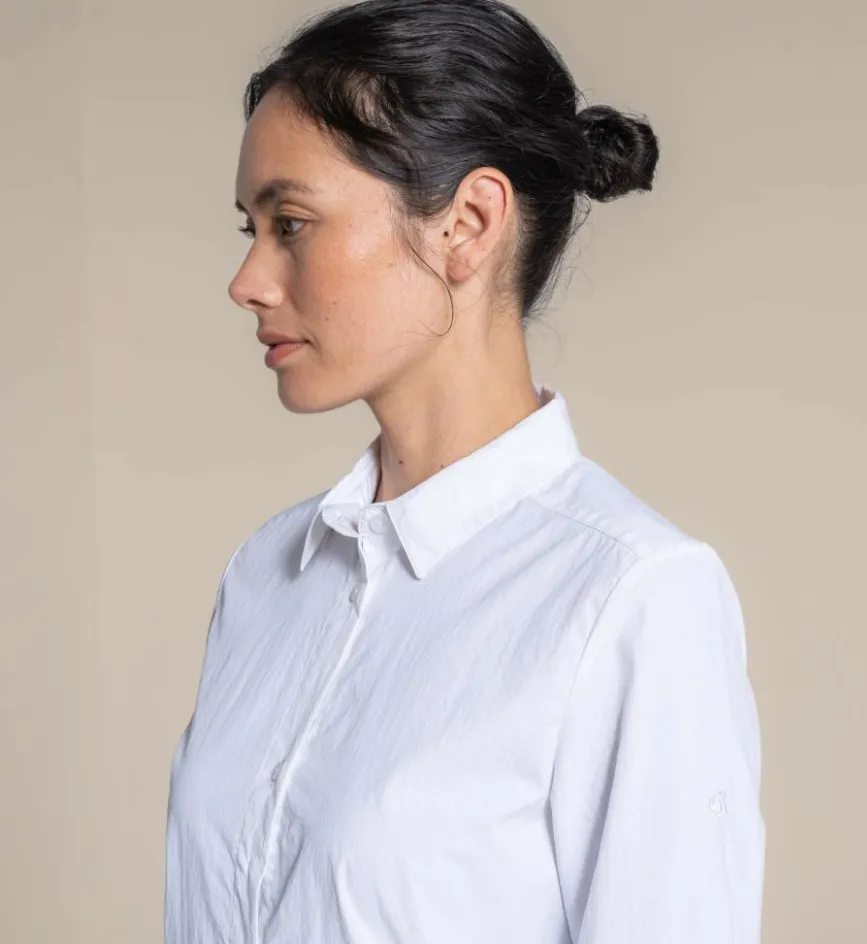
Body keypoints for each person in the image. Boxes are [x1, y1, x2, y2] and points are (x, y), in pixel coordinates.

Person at [163, 1, 766, 941]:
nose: (247, 280)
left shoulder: (631, 598)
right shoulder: (266, 577)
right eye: (252, 227)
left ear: (468, 224)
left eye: (292, 223)